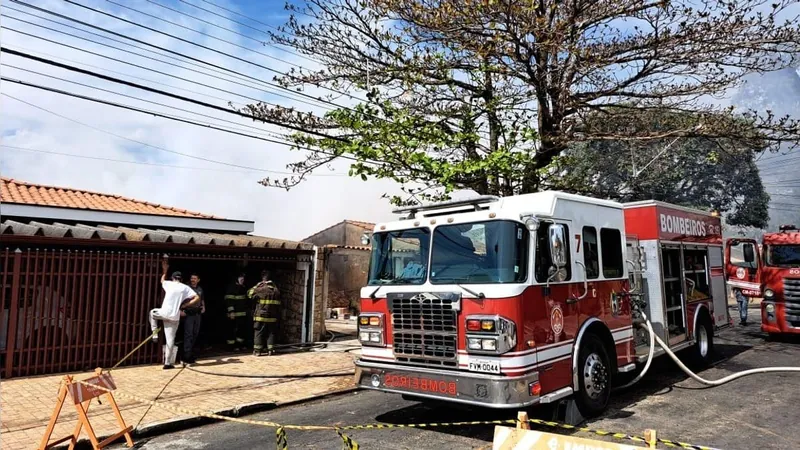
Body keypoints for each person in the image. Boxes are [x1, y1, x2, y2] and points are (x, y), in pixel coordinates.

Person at [150, 261, 200, 369]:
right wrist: (186, 305)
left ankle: (154, 333)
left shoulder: (169, 284)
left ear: (173, 278)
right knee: (170, 340)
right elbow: (197, 297)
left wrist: (165, 270)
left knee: (152, 313)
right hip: (175, 316)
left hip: (164, 313)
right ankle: (167, 363)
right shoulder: (185, 288)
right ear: (181, 279)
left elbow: (162, 280)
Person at [248, 270, 281, 357]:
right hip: (272, 317)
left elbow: (249, 294)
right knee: (271, 333)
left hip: (260, 316)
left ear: (263, 278)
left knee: (259, 333)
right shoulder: (276, 290)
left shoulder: (261, 289)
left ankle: (258, 351)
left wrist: (257, 285)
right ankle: (271, 350)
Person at [181, 273, 205, 365]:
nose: (193, 280)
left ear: (198, 280)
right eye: (191, 278)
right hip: (189, 314)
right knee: (188, 334)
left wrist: (203, 307)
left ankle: (190, 353)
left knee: (195, 333)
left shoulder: (200, 289)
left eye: (195, 278)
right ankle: (186, 356)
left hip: (197, 314)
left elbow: (202, 299)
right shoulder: (187, 288)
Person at [225, 273, 249, 350]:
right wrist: (231, 312)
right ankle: (231, 346)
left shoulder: (243, 287)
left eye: (243, 279)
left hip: (242, 314)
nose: (243, 280)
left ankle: (239, 345)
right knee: (231, 330)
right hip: (233, 314)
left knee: (241, 330)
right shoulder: (231, 288)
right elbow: (229, 301)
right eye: (241, 278)